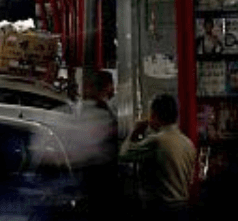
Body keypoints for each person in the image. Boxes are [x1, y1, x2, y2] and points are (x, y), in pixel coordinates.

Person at [120, 93, 196, 221]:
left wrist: (135, 131)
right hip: (183, 208)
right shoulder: (187, 143)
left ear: (154, 115)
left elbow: (124, 155)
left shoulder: (157, 141)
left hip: (160, 210)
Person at [73, 69, 119, 214]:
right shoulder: (101, 111)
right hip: (100, 175)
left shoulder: (85, 109)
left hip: (90, 173)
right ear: (108, 86)